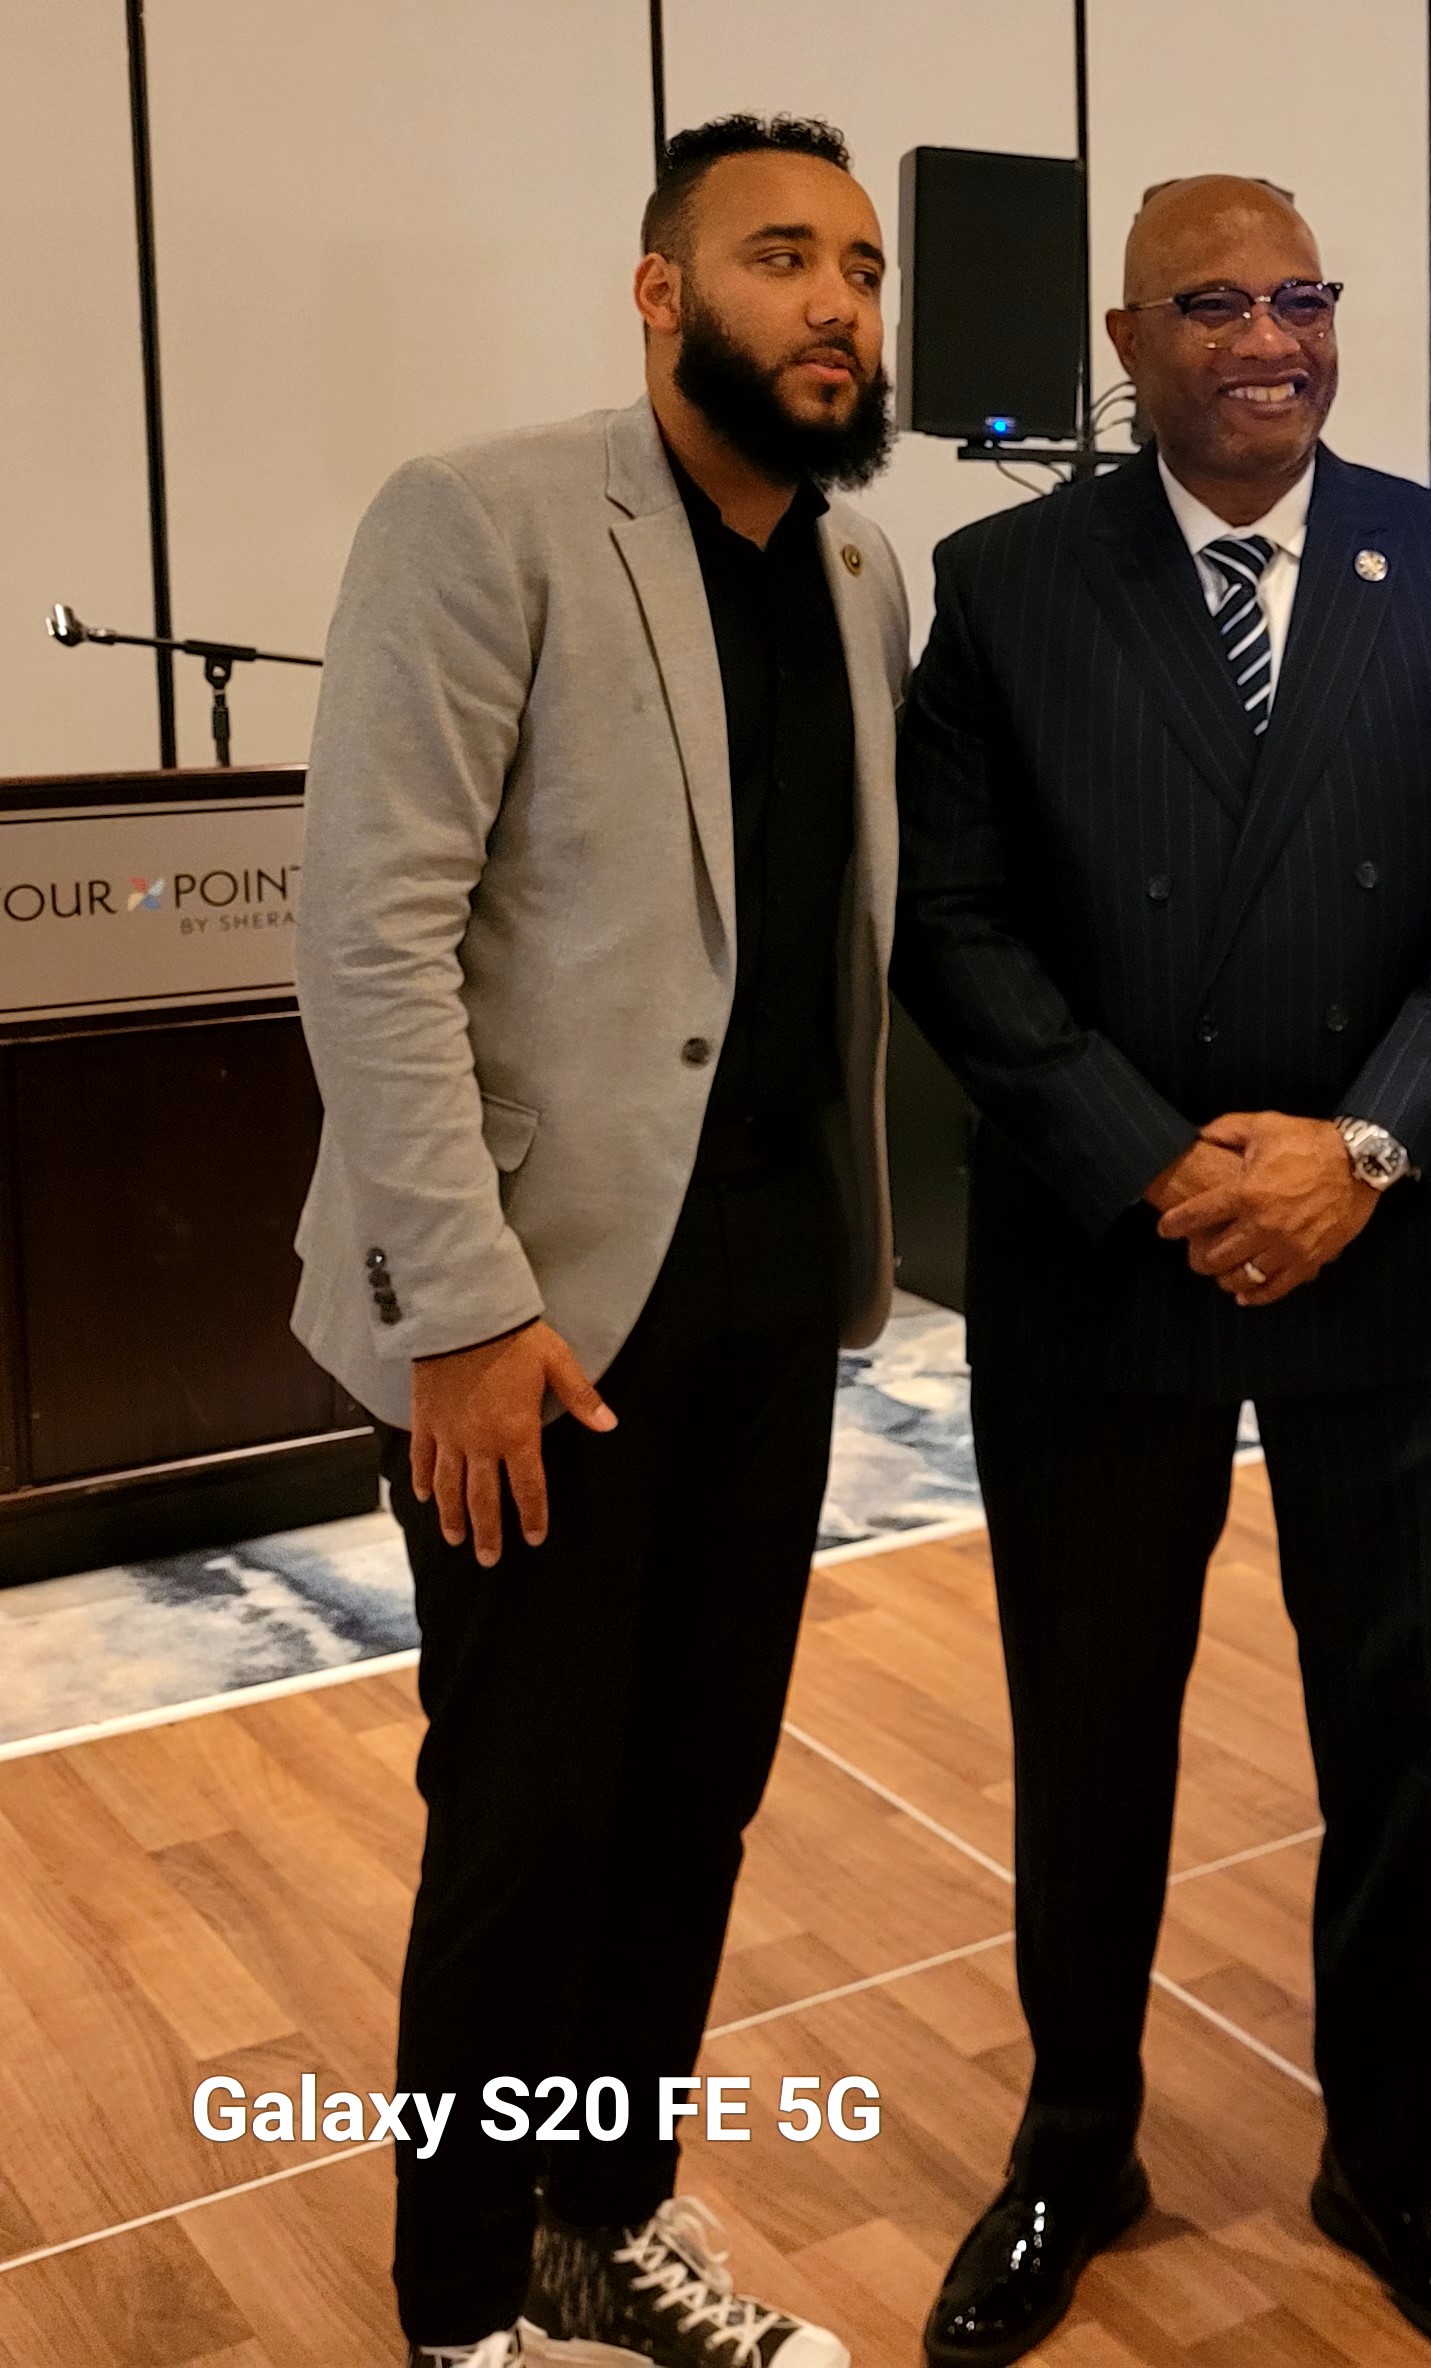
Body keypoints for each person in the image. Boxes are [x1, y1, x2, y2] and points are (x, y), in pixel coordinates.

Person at [895, 176, 1431, 2368]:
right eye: (1213, 303)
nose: (1269, 338)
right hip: (1114, 1256)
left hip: (1392, 1245)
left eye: (1301, 298)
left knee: (1400, 1736)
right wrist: (1157, 1165)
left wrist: (1358, 1148)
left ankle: (1385, 2147)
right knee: (1091, 1728)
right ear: (1126, 342)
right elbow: (952, 923)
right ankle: (1074, 2139)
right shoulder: (1007, 583)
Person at [295, 115, 908, 2368]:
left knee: (690, 1803)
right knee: (527, 1820)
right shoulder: (487, 517)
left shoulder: (864, 576)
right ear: (662, 293)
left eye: (861, 268)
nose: (836, 305)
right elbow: (369, 936)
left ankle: (605, 2219)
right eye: (781, 257)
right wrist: (460, 1310)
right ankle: (462, 2308)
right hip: (537, 1320)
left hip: (770, 1302)